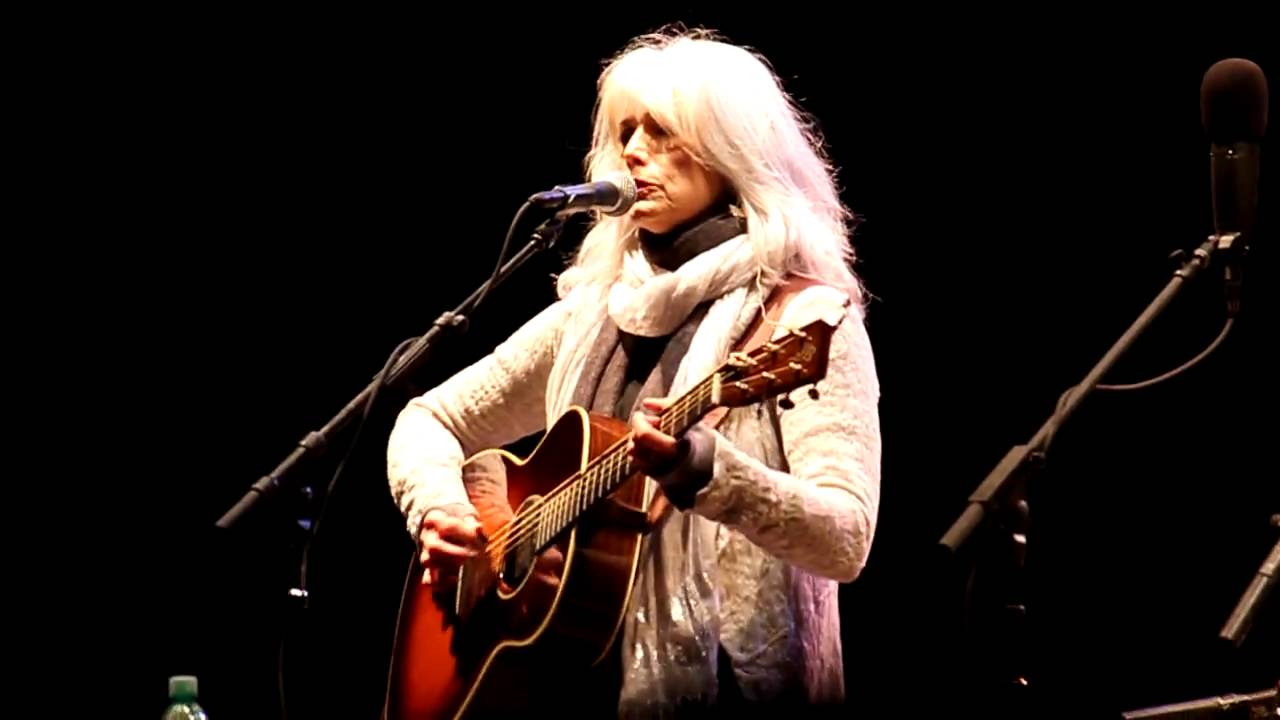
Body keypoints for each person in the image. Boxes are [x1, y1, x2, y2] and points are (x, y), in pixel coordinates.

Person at [386, 26, 881, 717]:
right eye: (626, 131)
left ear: (731, 153)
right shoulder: (593, 313)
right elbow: (428, 419)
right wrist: (446, 510)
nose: (634, 152)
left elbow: (846, 538)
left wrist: (712, 475)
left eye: (664, 133)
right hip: (555, 688)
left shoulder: (802, 321)